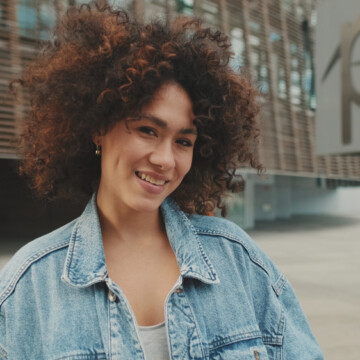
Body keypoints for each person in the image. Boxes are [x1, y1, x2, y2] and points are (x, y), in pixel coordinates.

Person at [0, 2, 323, 359]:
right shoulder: (29, 284)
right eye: (147, 130)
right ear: (98, 127)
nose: (165, 159)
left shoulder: (236, 257)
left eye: (183, 141)